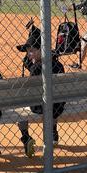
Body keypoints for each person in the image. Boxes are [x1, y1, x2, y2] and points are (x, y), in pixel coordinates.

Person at [16, 24, 65, 155]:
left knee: (18, 104)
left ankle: (25, 137)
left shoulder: (37, 67)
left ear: (42, 50)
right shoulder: (58, 64)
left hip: (40, 106)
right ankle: (53, 132)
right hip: (58, 105)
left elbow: (28, 87)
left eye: (31, 51)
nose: (28, 55)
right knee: (52, 95)